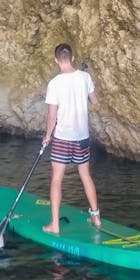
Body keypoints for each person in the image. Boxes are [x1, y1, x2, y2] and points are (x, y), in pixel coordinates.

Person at [42, 43, 101, 234]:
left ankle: (55, 225)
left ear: (56, 60)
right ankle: (96, 217)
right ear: (72, 58)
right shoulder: (85, 77)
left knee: (56, 179)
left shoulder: (54, 83)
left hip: (62, 138)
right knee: (85, 175)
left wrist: (47, 136)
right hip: (82, 137)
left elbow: (52, 115)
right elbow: (95, 101)